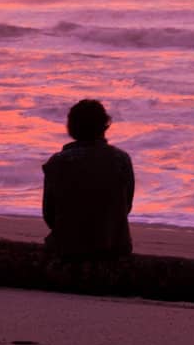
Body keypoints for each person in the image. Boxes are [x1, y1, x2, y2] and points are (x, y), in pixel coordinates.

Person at [41, 98, 135, 259]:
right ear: (104, 126)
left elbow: (49, 213)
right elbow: (125, 206)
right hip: (114, 246)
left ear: (71, 127)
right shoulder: (121, 159)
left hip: (68, 246)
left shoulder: (58, 162)